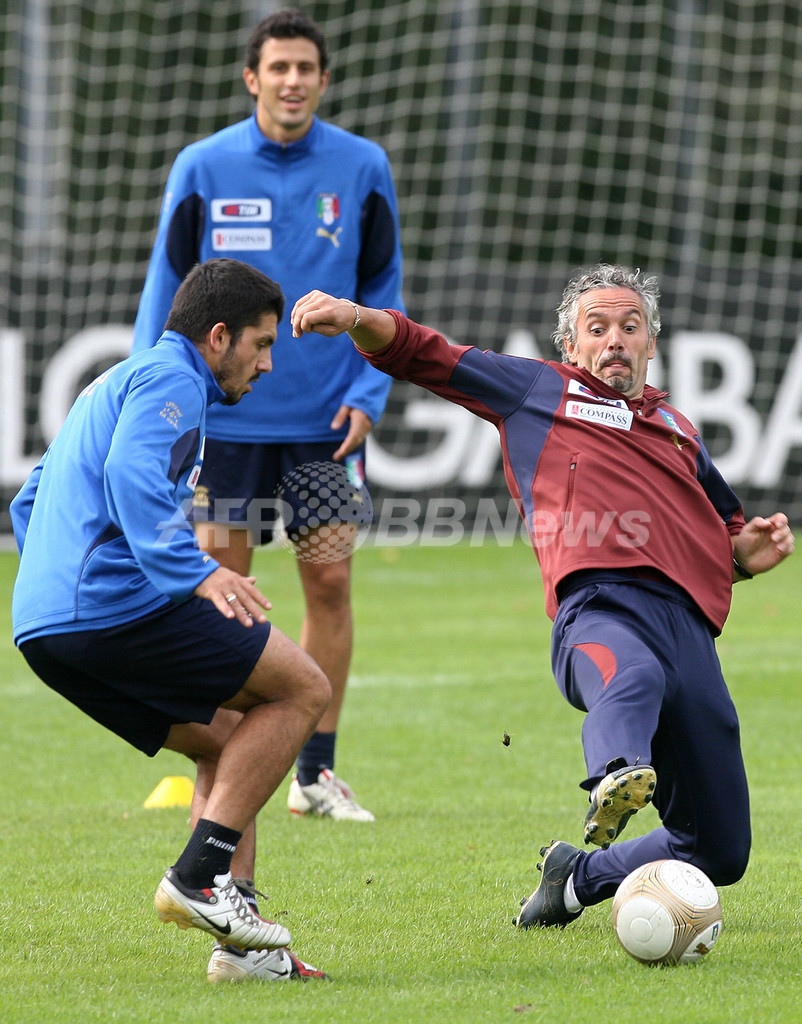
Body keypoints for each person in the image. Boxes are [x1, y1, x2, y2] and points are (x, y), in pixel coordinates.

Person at [288, 265, 795, 929]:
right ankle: (616, 770)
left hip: (691, 633)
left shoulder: (679, 428)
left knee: (717, 850)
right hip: (600, 608)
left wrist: (744, 555)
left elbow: (720, 530)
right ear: (572, 347)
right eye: (598, 328)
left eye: (630, 326)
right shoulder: (539, 390)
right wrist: (357, 317)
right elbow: (424, 353)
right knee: (631, 675)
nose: (615, 339)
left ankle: (577, 876)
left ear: (650, 344)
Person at [11, 258, 331, 983]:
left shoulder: (118, 380)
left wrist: (60, 586)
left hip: (45, 627)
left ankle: (242, 949)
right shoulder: (175, 379)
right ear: (218, 337)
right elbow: (130, 475)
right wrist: (196, 571)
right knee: (302, 690)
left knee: (227, 740)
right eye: (261, 344)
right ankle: (198, 876)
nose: (268, 363)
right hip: (112, 607)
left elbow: (29, 502)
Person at [132, 8, 405, 823]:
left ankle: (315, 774)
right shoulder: (203, 166)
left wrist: (369, 390)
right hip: (224, 423)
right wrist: (161, 395)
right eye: (276, 68)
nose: (292, 81)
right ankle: (216, 758)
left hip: (324, 424)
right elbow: (166, 287)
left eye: (305, 69)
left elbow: (382, 287)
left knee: (328, 583)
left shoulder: (361, 167)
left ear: (324, 80)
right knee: (225, 593)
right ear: (253, 78)